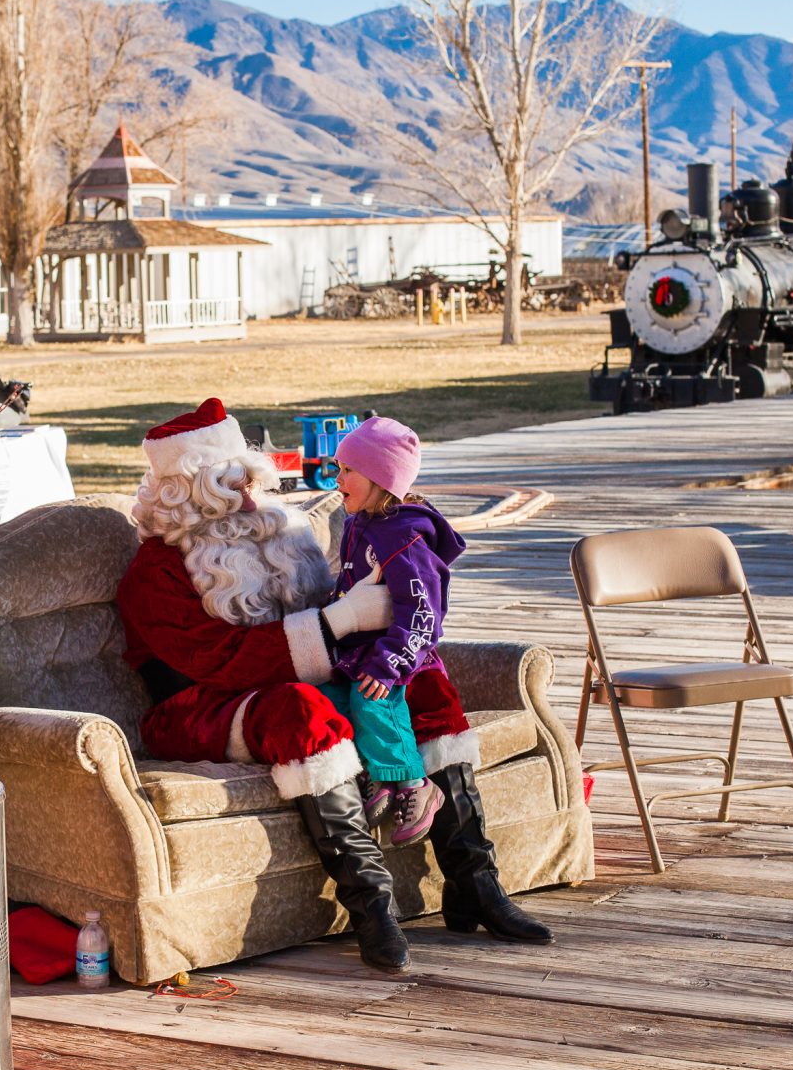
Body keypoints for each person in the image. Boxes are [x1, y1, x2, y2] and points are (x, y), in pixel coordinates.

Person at [114, 398, 551, 975]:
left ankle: (475, 883)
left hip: (287, 679)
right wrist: (340, 621)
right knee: (301, 710)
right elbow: (224, 662)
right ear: (186, 496)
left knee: (418, 682)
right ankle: (373, 907)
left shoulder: (275, 535)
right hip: (197, 704)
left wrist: (379, 640)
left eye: (250, 483)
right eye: (231, 490)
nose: (250, 500)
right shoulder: (156, 573)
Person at [320, 417, 464, 847]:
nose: (337, 478)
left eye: (347, 470)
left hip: (394, 652)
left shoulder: (403, 536)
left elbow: (423, 609)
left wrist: (390, 664)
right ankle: (383, 777)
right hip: (358, 649)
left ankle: (416, 784)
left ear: (381, 478)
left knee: (373, 698)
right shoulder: (358, 523)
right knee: (331, 700)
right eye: (338, 467)